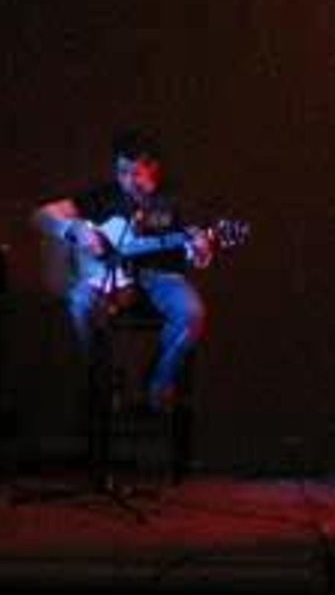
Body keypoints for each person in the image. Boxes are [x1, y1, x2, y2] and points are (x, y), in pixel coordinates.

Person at [31, 128, 210, 414]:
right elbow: (42, 215)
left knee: (192, 314)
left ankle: (159, 385)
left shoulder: (174, 199)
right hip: (112, 280)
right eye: (121, 172)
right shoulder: (105, 195)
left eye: (134, 173)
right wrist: (75, 231)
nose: (126, 181)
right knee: (79, 303)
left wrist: (199, 248)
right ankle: (101, 379)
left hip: (161, 279)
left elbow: (192, 245)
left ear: (153, 168)